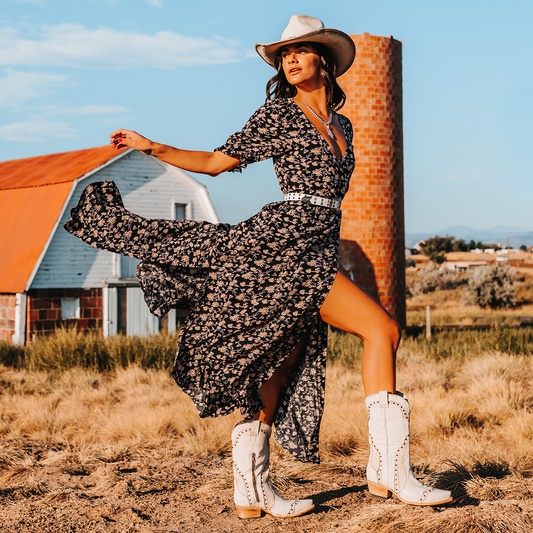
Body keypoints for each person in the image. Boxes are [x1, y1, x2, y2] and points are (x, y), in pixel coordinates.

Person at [65, 15, 452, 520]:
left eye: (300, 51)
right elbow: (216, 162)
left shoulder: (344, 125)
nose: (289, 60)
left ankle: (252, 493)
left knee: (281, 362)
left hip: (318, 245)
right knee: (382, 328)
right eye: (283, 55)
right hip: (284, 245)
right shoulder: (278, 117)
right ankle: (391, 473)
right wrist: (152, 146)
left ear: (325, 61)